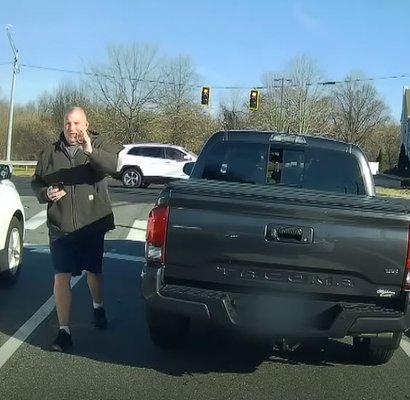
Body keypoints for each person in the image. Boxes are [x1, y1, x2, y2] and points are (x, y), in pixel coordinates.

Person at [31, 106, 119, 353]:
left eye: (77, 124)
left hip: (92, 223)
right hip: (61, 226)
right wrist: (44, 193)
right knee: (61, 275)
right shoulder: (50, 152)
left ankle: (98, 306)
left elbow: (113, 166)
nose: (72, 129)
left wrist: (89, 150)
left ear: (86, 125)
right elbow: (36, 181)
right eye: (68, 124)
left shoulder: (100, 144)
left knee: (93, 271)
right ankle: (64, 331)